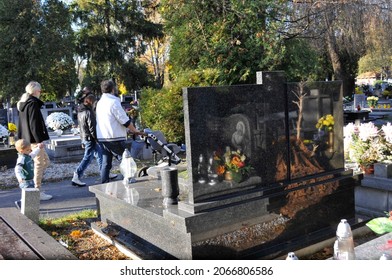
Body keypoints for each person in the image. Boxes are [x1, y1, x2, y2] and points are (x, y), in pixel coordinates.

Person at [96, 79, 146, 183]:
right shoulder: (113, 102)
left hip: (102, 137)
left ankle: (104, 182)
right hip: (113, 137)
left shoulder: (100, 103)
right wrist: (135, 130)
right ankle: (128, 178)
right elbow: (124, 120)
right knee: (125, 158)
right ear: (112, 89)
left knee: (106, 162)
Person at [17, 81, 52, 200]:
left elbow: (22, 124)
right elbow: (34, 124)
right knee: (39, 164)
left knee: (45, 162)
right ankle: (36, 190)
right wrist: (39, 141)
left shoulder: (24, 103)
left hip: (28, 139)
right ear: (35, 91)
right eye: (39, 90)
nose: (40, 92)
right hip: (35, 140)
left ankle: (33, 185)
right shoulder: (32, 104)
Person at [71, 91, 103, 186]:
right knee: (88, 157)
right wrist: (97, 139)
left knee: (100, 154)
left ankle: (104, 172)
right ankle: (76, 175)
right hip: (90, 138)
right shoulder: (89, 112)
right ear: (90, 102)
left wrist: (82, 140)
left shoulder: (80, 112)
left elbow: (81, 127)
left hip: (86, 137)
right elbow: (92, 127)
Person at [14, 139, 44, 208]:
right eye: (28, 150)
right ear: (22, 151)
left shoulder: (28, 156)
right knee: (29, 193)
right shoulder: (21, 158)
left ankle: (22, 204)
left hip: (30, 179)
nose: (30, 150)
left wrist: (38, 148)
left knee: (29, 193)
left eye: (30, 149)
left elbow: (33, 154)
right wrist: (19, 177)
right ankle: (25, 205)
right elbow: (17, 169)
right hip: (25, 181)